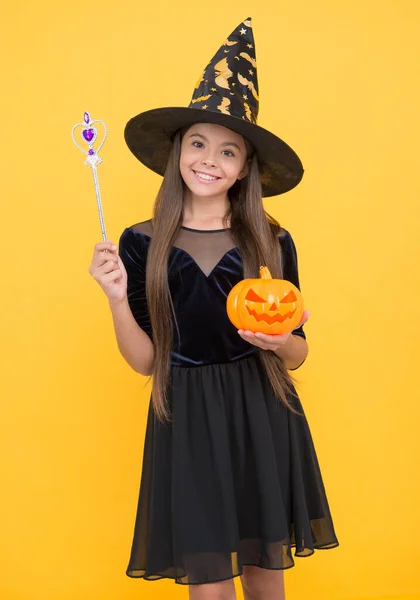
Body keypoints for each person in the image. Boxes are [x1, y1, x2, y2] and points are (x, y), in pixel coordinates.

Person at [88, 17, 339, 600]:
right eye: (198, 143)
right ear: (178, 152)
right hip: (188, 415)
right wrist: (114, 297)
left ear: (246, 166)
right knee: (209, 586)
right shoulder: (140, 244)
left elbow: (299, 352)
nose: (210, 160)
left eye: (229, 150)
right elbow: (147, 363)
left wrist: (281, 343)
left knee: (266, 578)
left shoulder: (271, 242)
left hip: (263, 410)